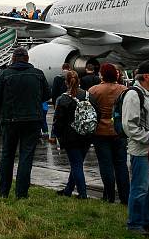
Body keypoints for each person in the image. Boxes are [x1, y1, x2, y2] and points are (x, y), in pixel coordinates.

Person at [0, 47, 50, 198]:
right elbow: (47, 95)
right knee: (26, 155)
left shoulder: (4, 75)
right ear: (27, 58)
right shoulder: (38, 74)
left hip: (10, 119)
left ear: (12, 58)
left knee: (7, 155)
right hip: (32, 119)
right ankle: (21, 192)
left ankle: (3, 191)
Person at [122, 60, 149, 235]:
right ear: (146, 76)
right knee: (140, 188)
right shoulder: (134, 95)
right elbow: (129, 125)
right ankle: (134, 223)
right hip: (141, 151)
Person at [87, 63, 130, 204]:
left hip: (100, 131)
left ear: (102, 75)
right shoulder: (124, 89)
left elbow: (91, 111)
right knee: (121, 164)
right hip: (119, 130)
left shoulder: (94, 90)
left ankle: (109, 196)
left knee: (106, 164)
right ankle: (125, 196)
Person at [52, 70, 93, 199]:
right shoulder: (88, 95)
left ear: (66, 82)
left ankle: (82, 193)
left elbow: (58, 120)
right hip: (86, 134)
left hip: (71, 136)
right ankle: (68, 190)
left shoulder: (64, 99)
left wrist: (57, 135)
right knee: (78, 163)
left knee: (76, 165)